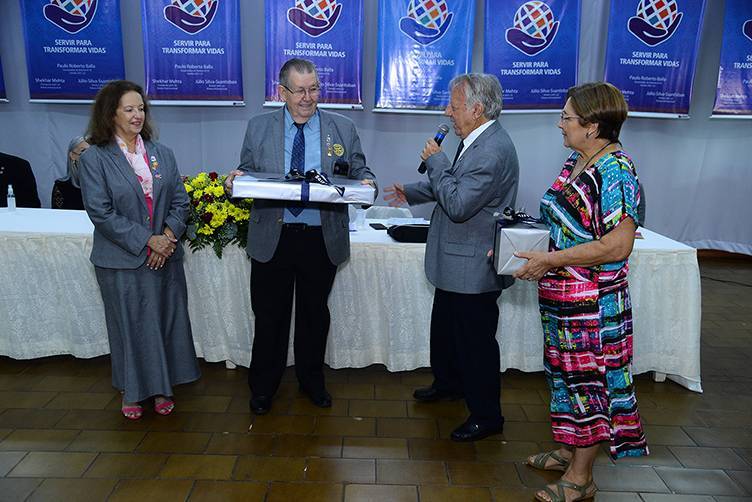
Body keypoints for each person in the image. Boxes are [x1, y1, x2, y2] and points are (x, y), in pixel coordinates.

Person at [514, 82, 648, 502]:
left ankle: (581, 478)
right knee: (564, 379)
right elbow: (560, 223)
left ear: (592, 126)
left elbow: (617, 246)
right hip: (562, 301)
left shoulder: (615, 171)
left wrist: (551, 260)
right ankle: (570, 449)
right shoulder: (577, 160)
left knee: (589, 385)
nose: (560, 124)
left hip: (593, 307)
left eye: (566, 117)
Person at [224, 58, 377, 415]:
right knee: (269, 316)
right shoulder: (259, 127)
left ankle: (312, 382)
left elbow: (360, 169)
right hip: (273, 236)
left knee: (314, 315)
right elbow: (247, 169)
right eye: (300, 91)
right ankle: (263, 387)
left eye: (314, 89)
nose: (308, 98)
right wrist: (235, 179)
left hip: (320, 237)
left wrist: (367, 181)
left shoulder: (342, 127)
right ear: (282, 92)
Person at [384, 73, 519, 442]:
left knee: (475, 343)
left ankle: (487, 416)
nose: (447, 112)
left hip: (472, 265)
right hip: (455, 259)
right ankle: (449, 384)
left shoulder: (491, 150)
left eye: (454, 106)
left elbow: (458, 203)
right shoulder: (477, 139)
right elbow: (456, 184)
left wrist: (435, 161)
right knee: (446, 330)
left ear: (476, 109)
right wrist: (412, 191)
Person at [78, 80, 200, 420]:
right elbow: (101, 212)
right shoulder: (95, 158)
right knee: (130, 328)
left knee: (163, 324)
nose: (137, 115)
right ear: (111, 114)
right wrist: (148, 240)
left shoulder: (162, 153)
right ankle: (131, 392)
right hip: (122, 260)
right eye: (129, 109)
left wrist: (167, 237)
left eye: (141, 108)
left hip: (165, 256)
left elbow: (181, 202)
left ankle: (163, 388)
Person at [51, 136, 89, 209]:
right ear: (73, 155)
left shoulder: (105, 185)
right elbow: (58, 215)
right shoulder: (61, 187)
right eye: (83, 151)